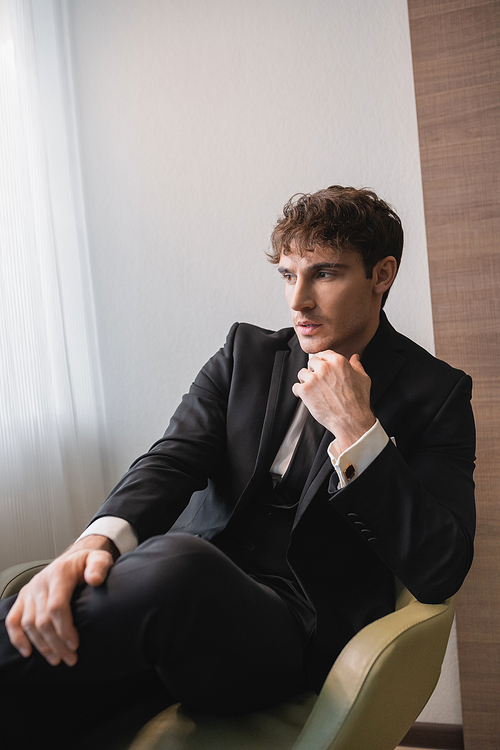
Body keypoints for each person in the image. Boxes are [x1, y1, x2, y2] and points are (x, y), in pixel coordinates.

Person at [0, 186, 475, 746]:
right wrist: (89, 547)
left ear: (382, 275)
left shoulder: (436, 393)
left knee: (178, 562)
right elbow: (171, 460)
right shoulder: (245, 355)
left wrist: (358, 430)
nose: (298, 301)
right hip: (168, 611)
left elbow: (442, 564)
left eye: (324, 274)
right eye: (288, 275)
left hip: (287, 632)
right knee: (40, 696)